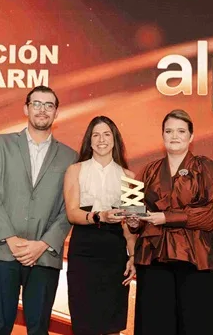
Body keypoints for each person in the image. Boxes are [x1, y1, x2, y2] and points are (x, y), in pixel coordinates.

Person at [0, 85, 78, 335]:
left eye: (49, 105)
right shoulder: (0, 144)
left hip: (44, 255)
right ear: (26, 108)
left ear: (56, 113)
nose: (42, 110)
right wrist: (10, 239)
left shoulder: (70, 156)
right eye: (36, 104)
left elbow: (70, 208)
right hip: (1, 251)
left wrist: (42, 244)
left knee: (38, 328)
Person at [127, 109, 213, 335]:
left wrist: (166, 217)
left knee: (196, 325)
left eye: (181, 131)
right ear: (162, 135)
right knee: (154, 325)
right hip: (154, 258)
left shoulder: (205, 167)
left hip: (196, 258)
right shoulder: (147, 170)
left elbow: (211, 214)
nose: (174, 136)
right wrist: (133, 222)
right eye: (169, 131)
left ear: (191, 137)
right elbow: (135, 215)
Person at [63, 116, 137, 335]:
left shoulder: (130, 177)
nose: (101, 139)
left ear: (115, 140)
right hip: (84, 250)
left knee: (112, 325)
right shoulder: (75, 170)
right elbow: (72, 213)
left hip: (114, 254)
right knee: (84, 323)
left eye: (106, 134)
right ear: (89, 140)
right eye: (96, 135)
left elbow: (131, 228)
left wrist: (133, 257)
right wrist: (99, 216)